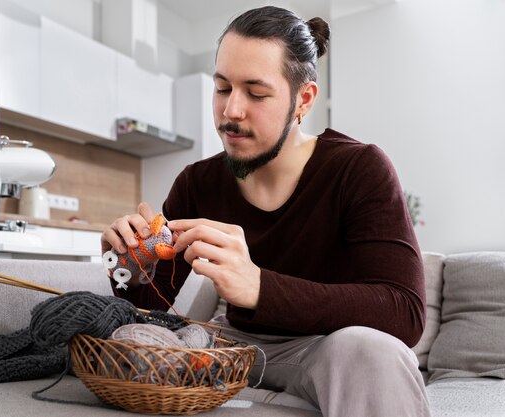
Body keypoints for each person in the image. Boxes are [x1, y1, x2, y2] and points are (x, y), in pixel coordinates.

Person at [101, 6, 430, 417]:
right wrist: (129, 261)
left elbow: (404, 311)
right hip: (227, 347)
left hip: (324, 348)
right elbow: (155, 301)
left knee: (371, 352)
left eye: (256, 93)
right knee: (132, 337)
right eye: (222, 89)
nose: (231, 111)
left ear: (303, 99)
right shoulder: (196, 182)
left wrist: (260, 288)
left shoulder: (358, 169)